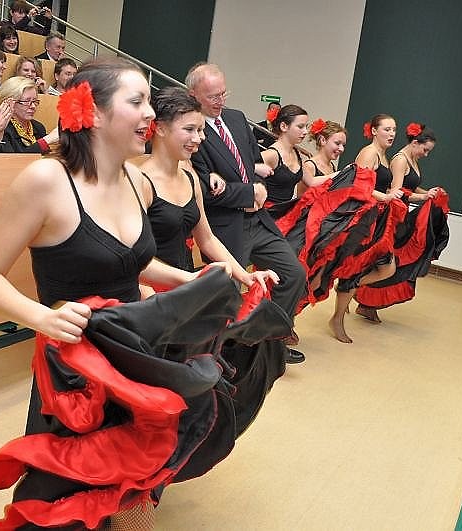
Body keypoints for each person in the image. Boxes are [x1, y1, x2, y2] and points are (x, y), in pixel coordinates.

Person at [0, 56, 241, 531]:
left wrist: (190, 281)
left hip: (136, 357)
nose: (150, 114)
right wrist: (42, 317)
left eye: (149, 102)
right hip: (76, 374)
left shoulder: (135, 179)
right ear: (92, 112)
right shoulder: (45, 180)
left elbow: (131, 262)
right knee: (69, 503)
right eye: (137, 101)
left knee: (134, 489)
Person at [187, 62, 306, 364]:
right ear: (193, 94)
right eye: (213, 96)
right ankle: (222, 352)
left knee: (293, 275)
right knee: (226, 292)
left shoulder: (237, 119)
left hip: (258, 219)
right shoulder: (191, 131)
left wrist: (258, 187)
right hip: (225, 223)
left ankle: (265, 344)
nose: (220, 101)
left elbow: (254, 164)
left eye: (223, 93)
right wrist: (248, 193)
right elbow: (204, 188)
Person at [140, 86, 278, 291]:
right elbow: (133, 258)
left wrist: (245, 276)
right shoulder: (141, 182)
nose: (200, 138)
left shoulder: (190, 179)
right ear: (160, 128)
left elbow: (207, 239)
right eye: (190, 129)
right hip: (151, 291)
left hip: (183, 286)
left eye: (200, 130)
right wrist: (190, 279)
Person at [353, 122, 449, 319]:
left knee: (390, 264)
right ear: (415, 143)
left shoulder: (412, 159)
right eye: (425, 149)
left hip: (402, 216)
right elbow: (398, 192)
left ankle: (365, 300)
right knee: (387, 264)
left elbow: (411, 187)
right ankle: (356, 292)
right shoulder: (400, 160)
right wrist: (423, 197)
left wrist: (429, 193)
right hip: (395, 218)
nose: (426, 154)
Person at [328, 113, 404, 342]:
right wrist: (385, 197)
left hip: (377, 219)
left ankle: (347, 289)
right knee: (354, 268)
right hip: (363, 220)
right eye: (387, 129)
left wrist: (390, 195)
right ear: (373, 131)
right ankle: (337, 318)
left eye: (394, 130)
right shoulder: (369, 153)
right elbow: (358, 185)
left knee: (387, 268)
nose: (392, 134)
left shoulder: (383, 155)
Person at [259, 104, 330, 206]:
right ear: (284, 126)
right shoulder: (271, 154)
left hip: (286, 210)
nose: (305, 131)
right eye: (300, 127)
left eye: (306, 127)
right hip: (268, 212)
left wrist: (342, 172)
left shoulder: (296, 153)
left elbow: (311, 181)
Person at [0, 76, 58, 153]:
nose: (33, 106)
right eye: (27, 101)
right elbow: (13, 158)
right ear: (10, 103)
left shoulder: (38, 127)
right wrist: (45, 141)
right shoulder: (2, 129)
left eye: (35, 101)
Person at [301, 119, 347, 188]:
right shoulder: (309, 166)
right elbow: (302, 194)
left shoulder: (331, 166)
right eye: (337, 143)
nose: (342, 149)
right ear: (323, 140)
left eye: (343, 145)